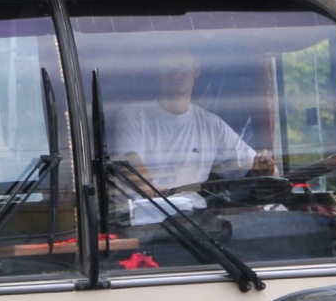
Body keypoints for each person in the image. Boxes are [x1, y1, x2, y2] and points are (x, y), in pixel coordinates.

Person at [110, 48, 275, 193]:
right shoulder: (133, 116)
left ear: (196, 70)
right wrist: (151, 190)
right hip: (142, 218)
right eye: (169, 69)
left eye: (183, 68)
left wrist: (264, 166)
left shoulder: (211, 125)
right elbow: (129, 161)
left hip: (194, 220)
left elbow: (257, 165)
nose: (177, 75)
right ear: (158, 73)